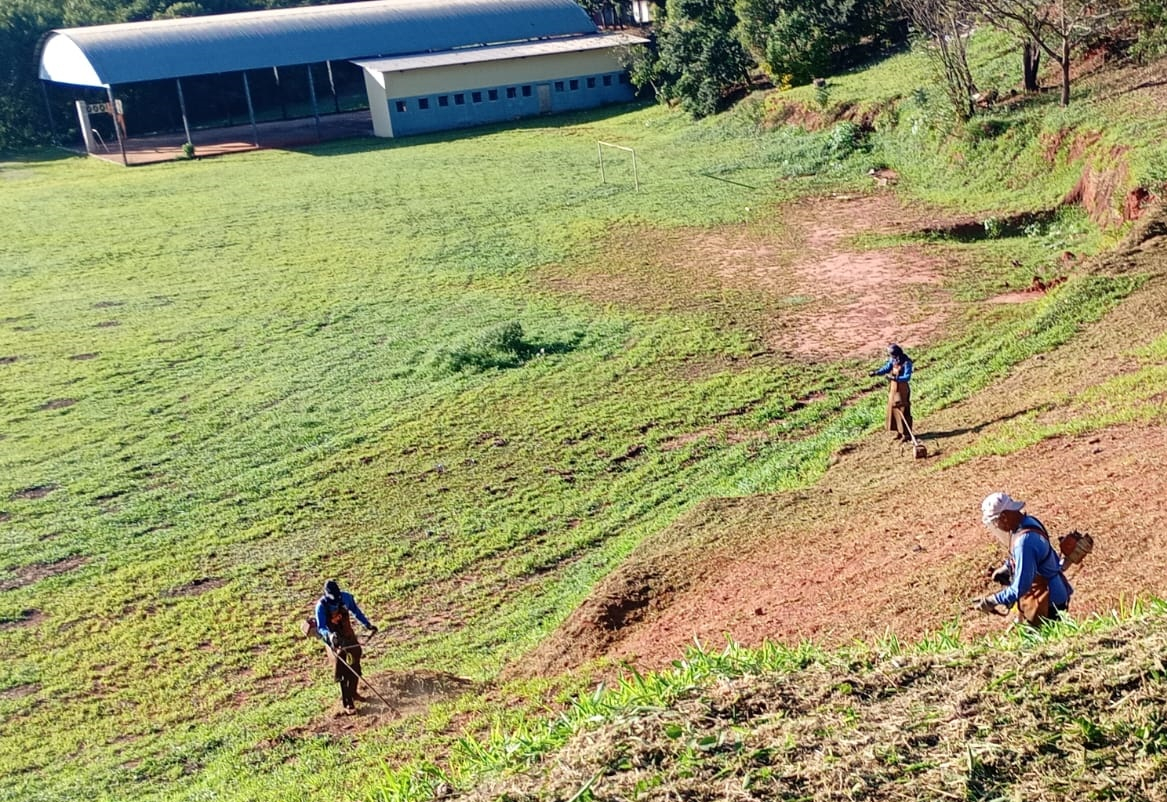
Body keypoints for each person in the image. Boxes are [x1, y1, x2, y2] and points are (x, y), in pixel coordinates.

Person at [971, 492, 1072, 626]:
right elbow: (1033, 557)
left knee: (1044, 645)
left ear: (1004, 517)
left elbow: (1020, 587)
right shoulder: (1028, 522)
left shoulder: (1024, 542)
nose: (997, 526)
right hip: (1050, 595)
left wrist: (993, 600)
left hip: (1048, 603)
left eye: (996, 522)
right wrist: (1006, 568)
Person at [314, 579, 377, 714]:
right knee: (342, 670)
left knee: (355, 663)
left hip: (348, 636)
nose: (335, 602)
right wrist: (330, 636)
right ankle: (347, 703)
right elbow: (321, 627)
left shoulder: (346, 598)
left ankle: (353, 692)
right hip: (335, 642)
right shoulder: (321, 607)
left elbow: (356, 612)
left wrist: (367, 624)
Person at [870, 343, 914, 441]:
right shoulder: (893, 361)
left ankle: (906, 434)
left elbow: (907, 377)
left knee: (903, 410)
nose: (891, 357)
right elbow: (887, 368)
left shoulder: (906, 363)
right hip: (893, 389)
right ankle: (899, 431)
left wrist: (894, 378)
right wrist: (876, 372)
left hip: (902, 390)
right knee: (894, 410)